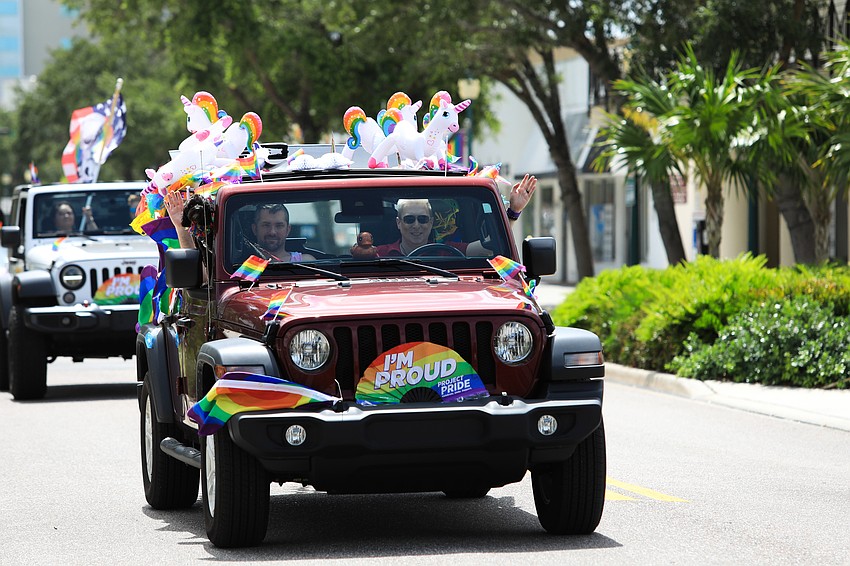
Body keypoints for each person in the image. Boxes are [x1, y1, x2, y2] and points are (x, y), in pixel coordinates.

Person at [374, 174, 538, 257]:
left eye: (422, 219)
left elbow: (490, 246)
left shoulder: (447, 252)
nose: (416, 225)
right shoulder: (378, 254)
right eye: (409, 219)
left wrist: (514, 211)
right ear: (398, 223)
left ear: (431, 222)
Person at [248, 203, 315, 262]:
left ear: (288, 230)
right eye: (266, 225)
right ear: (255, 229)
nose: (272, 232)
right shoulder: (244, 266)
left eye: (279, 226)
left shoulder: (305, 262)